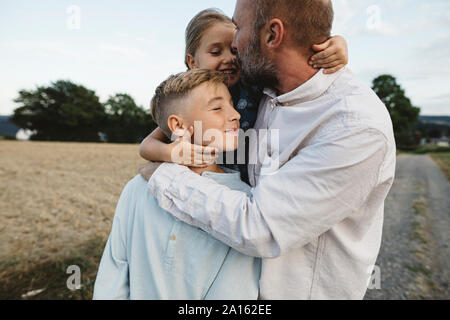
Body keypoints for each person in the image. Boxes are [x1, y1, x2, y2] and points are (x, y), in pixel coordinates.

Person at [141, 0, 397, 300]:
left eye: (238, 29)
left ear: (273, 35)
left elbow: (259, 227)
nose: (233, 45)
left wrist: (164, 176)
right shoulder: (263, 85)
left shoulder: (356, 127)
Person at [93, 69, 261, 300]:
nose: (235, 115)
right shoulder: (138, 187)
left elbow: (235, 293)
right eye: (217, 108)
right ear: (178, 125)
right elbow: (113, 273)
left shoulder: (243, 204)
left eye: (232, 104)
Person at [139, 8, 349, 184]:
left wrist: (338, 43)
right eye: (215, 52)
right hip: (208, 183)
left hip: (249, 188)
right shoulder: (190, 101)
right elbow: (148, 145)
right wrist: (171, 153)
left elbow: (291, 60)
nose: (229, 58)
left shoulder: (251, 83)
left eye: (234, 50)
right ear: (192, 61)